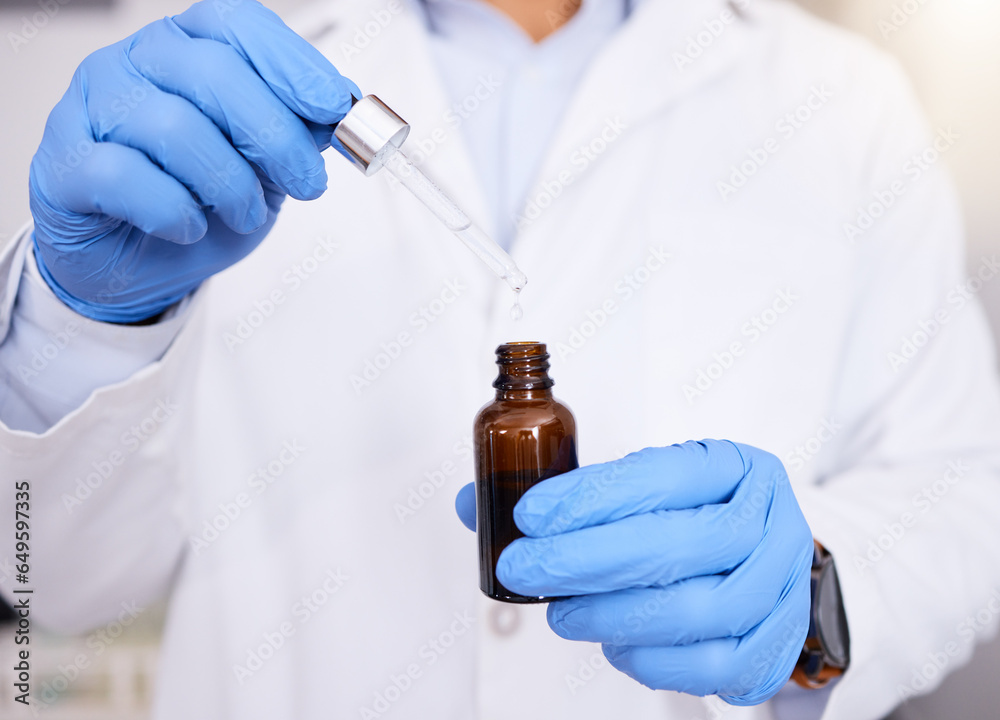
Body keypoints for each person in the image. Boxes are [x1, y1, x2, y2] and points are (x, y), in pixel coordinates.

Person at [1, 0, 999, 718]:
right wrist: (82, 324)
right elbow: (58, 585)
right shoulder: (207, 72)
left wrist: (813, 599)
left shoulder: (840, 102)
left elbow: (962, 496)